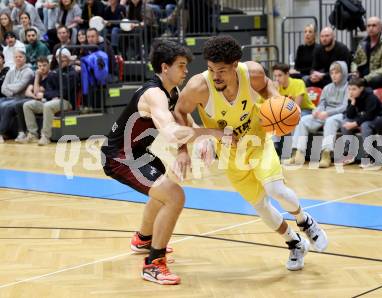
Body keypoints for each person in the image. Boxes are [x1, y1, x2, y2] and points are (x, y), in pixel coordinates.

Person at [174, 35, 328, 271]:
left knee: (275, 189)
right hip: (230, 154)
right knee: (260, 206)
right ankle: (294, 243)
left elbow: (267, 85)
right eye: (211, 69)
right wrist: (185, 148)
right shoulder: (198, 87)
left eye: (222, 70)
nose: (216, 76)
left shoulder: (251, 73)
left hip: (258, 141)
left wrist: (277, 102)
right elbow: (179, 112)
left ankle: (304, 220)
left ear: (235, 65)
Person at [101, 40, 225, 285]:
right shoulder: (154, 94)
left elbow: (186, 121)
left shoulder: (173, 92)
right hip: (119, 157)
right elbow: (171, 132)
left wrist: (187, 149)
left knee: (163, 191)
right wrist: (213, 134)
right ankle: (153, 265)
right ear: (164, 67)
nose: (186, 70)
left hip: (138, 151)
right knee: (174, 196)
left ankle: (144, 239)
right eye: (181, 65)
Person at [291, 61, 348, 168]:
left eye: (337, 73)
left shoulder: (348, 87)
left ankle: (326, 154)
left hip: (341, 115)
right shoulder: (327, 88)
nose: (334, 75)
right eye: (332, 73)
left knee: (330, 121)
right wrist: (317, 111)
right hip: (324, 114)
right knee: (303, 120)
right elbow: (322, 104)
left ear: (343, 73)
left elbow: (345, 107)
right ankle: (298, 152)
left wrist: (327, 113)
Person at [341, 78, 382, 166]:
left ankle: (369, 156)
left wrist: (355, 123)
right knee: (345, 123)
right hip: (363, 118)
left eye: (354, 89)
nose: (351, 92)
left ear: (361, 88)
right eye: (349, 89)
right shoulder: (352, 97)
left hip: (377, 118)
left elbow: (370, 116)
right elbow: (349, 115)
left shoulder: (370, 97)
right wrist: (352, 102)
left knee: (365, 126)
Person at [351, 17, 382, 89]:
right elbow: (355, 61)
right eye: (368, 26)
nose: (371, 28)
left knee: (376, 80)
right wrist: (354, 71)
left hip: (378, 77)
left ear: (381, 27)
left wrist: (366, 78)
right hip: (362, 76)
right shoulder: (362, 43)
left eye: (374, 25)